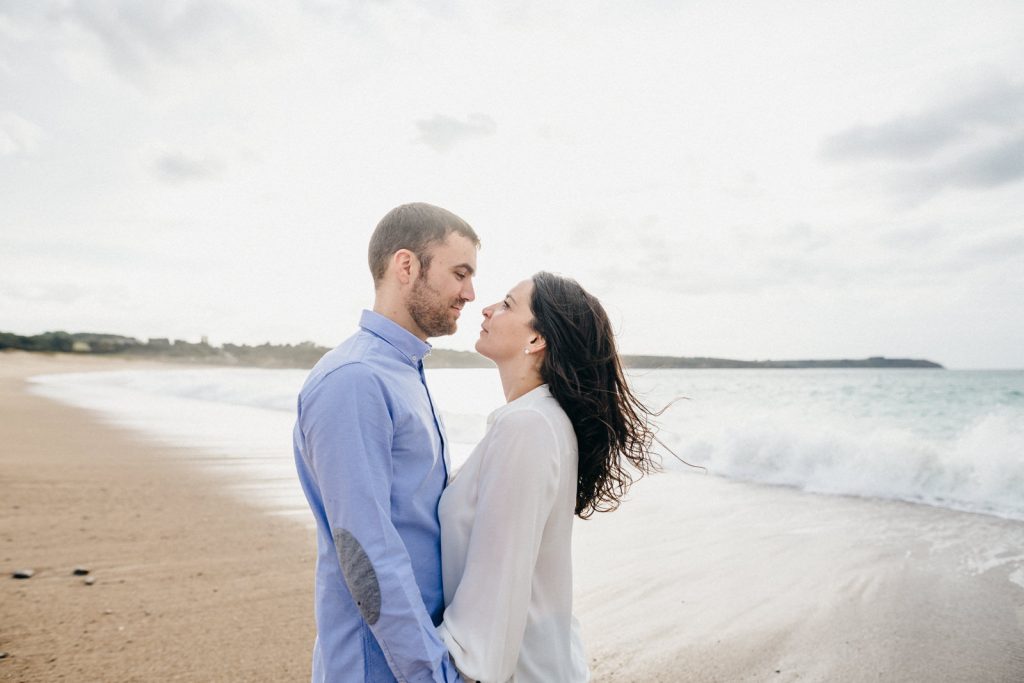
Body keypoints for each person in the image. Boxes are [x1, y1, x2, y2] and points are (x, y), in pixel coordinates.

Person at [436, 272, 660, 682]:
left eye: (506, 303)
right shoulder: (537, 419)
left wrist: (445, 668)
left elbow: (500, 581)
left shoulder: (529, 425)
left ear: (537, 340)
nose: (485, 308)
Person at [293, 202, 479, 682]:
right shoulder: (356, 379)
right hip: (378, 666)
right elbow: (365, 550)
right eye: (459, 273)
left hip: (414, 654)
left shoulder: (403, 372)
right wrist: (430, 673)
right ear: (406, 265)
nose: (470, 293)